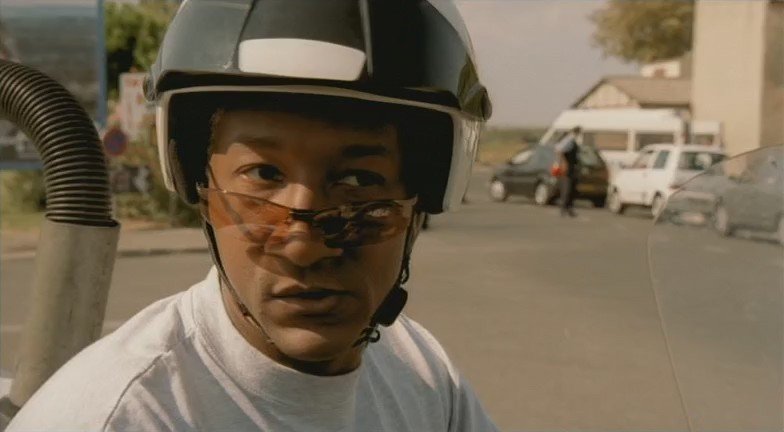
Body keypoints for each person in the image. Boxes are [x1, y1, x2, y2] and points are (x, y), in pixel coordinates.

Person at [7, 1, 497, 431]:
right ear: (200, 188)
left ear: (421, 203)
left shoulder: (422, 376)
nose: (304, 247)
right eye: (263, 174)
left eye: (357, 181)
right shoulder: (119, 417)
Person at [554, 126, 582, 217]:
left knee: (573, 189)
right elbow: (559, 150)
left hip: (573, 167)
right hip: (568, 168)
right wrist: (564, 163)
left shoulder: (572, 140)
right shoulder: (569, 140)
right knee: (567, 188)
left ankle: (569, 208)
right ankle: (564, 208)